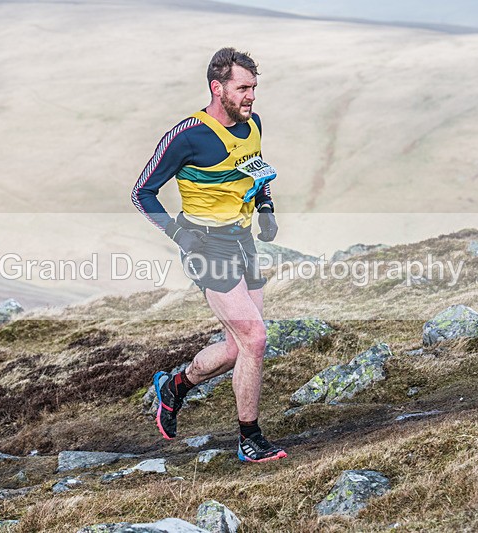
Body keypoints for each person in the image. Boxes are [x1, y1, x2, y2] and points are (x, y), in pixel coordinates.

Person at [131, 47, 287, 462]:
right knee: (255, 338)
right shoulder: (187, 136)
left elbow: (256, 171)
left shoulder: (252, 124)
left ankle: (175, 386)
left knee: (238, 348)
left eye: (254, 87)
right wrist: (179, 234)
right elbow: (142, 192)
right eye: (243, 88)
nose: (251, 96)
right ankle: (250, 439)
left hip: (243, 241)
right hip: (206, 246)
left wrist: (266, 208)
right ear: (218, 88)